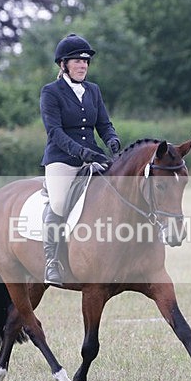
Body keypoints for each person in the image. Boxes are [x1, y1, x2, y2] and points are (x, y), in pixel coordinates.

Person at [39, 33, 121, 286]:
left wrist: (112, 141)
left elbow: (104, 124)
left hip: (93, 157)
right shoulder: (51, 92)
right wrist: (81, 153)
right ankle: (52, 260)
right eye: (77, 61)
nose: (83, 65)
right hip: (62, 160)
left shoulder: (93, 90)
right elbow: (55, 132)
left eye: (85, 61)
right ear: (63, 65)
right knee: (60, 204)